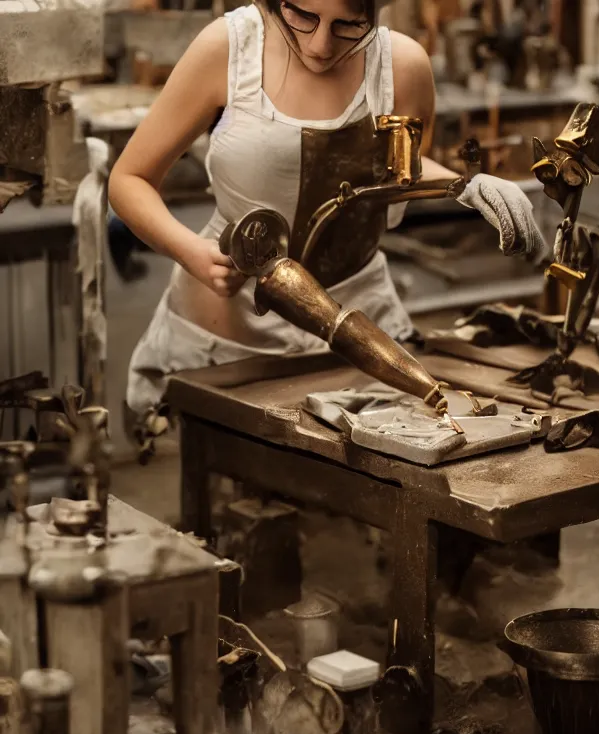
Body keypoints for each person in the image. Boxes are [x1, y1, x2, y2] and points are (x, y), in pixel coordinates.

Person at [109, 0, 546, 430]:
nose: (319, 45)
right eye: (302, 15)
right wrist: (191, 252)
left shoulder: (402, 65)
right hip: (230, 339)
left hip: (356, 332)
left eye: (348, 24)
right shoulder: (229, 47)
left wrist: (467, 185)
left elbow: (399, 170)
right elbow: (129, 179)